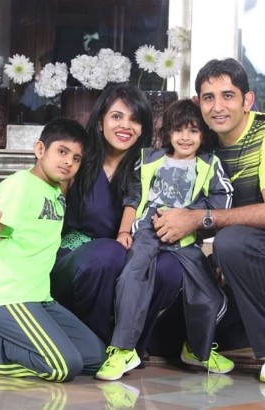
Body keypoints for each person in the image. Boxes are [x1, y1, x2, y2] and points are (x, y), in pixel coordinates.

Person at [151, 58, 265, 384]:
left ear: (247, 100)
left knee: (231, 241)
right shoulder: (205, 145)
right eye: (208, 98)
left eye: (228, 96)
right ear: (198, 103)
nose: (218, 107)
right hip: (242, 255)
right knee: (165, 339)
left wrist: (197, 220)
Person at [0, 118, 105, 382]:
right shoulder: (19, 184)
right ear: (40, 149)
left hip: (38, 297)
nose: (68, 162)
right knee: (64, 366)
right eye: (62, 151)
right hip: (5, 295)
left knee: (96, 358)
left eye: (76, 158)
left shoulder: (56, 192)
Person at [95, 99, 235, 381]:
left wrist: (190, 216)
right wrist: (125, 232)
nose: (185, 137)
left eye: (193, 131)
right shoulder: (149, 159)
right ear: (168, 132)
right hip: (148, 230)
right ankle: (123, 349)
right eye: (178, 130)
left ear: (203, 135)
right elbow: (133, 197)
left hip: (186, 236)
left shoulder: (210, 164)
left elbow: (223, 200)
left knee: (207, 290)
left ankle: (197, 349)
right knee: (132, 276)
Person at [50, 84, 184, 358]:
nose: (126, 126)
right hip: (75, 261)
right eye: (117, 116)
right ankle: (96, 346)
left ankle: (131, 347)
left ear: (143, 128)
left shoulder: (152, 168)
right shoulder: (77, 159)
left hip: (128, 260)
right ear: (100, 121)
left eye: (135, 119)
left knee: (169, 267)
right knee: (108, 253)